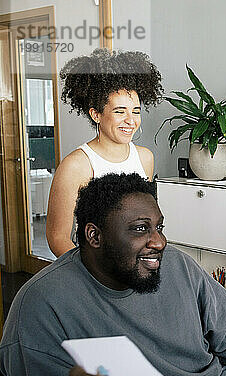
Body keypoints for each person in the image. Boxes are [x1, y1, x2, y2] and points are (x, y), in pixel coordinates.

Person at [0, 173, 226, 376]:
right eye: (140, 229)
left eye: (159, 227)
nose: (159, 242)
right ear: (94, 236)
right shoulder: (41, 306)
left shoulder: (179, 267)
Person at [46, 48, 163, 257]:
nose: (131, 120)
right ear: (96, 114)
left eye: (135, 111)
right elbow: (57, 238)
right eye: (120, 111)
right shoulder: (76, 165)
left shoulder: (145, 158)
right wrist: (95, 273)